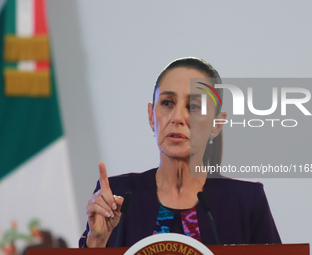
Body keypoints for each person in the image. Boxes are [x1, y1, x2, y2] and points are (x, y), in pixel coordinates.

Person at [79, 57, 281, 248]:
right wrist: (96, 242)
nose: (177, 117)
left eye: (193, 106)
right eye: (167, 103)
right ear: (151, 116)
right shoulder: (117, 198)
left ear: (216, 124)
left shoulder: (245, 201)